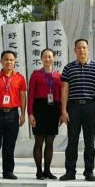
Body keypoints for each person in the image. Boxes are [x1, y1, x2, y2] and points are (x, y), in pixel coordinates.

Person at [59, 39, 95, 182]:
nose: (82, 50)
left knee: (89, 142)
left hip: (90, 107)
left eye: (84, 48)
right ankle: (70, 171)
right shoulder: (68, 68)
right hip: (73, 108)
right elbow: (64, 90)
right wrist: (64, 110)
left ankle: (89, 171)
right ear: (75, 50)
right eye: (79, 48)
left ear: (88, 49)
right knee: (72, 141)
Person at [0, 50, 26, 180]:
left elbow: (23, 96)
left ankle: (8, 171)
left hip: (13, 114)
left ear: (15, 62)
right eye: (6, 59)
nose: (9, 62)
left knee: (9, 145)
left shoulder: (19, 78)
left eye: (11, 60)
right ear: (1, 61)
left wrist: (23, 114)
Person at [27, 48, 62, 180]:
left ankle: (47, 170)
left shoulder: (58, 76)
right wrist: (30, 113)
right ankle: (38, 171)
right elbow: (30, 95)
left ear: (54, 58)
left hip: (53, 110)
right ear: (41, 59)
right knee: (39, 141)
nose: (47, 59)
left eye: (50, 57)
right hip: (39, 109)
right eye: (45, 57)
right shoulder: (36, 75)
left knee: (50, 142)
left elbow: (61, 96)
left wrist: (61, 113)